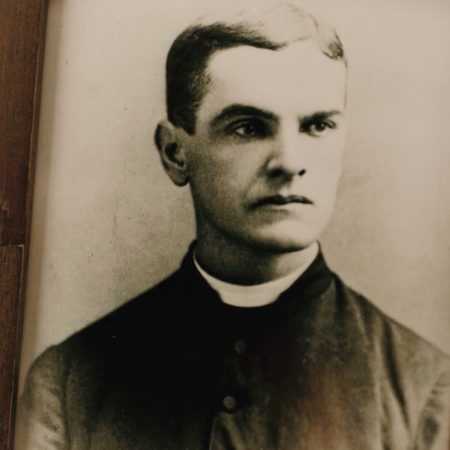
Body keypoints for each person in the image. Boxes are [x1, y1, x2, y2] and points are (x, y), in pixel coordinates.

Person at [16, 3, 450, 449]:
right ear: (174, 152)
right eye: (247, 127)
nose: (290, 162)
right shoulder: (69, 384)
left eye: (317, 126)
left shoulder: (426, 393)